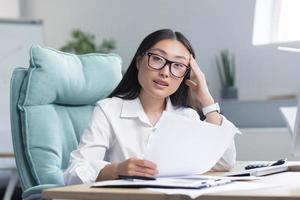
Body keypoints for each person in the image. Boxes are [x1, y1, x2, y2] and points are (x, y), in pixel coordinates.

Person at [64, 29, 239, 185]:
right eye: (157, 59)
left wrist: (207, 101)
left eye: (177, 65)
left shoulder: (187, 116)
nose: (165, 72)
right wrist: (117, 170)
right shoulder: (109, 110)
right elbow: (74, 173)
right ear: (139, 62)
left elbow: (223, 162)